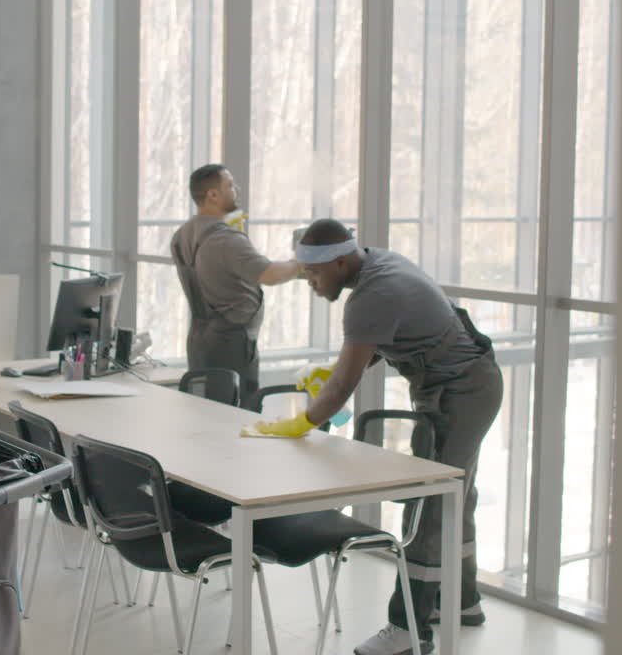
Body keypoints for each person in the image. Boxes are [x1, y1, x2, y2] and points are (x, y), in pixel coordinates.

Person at [254, 218, 503, 655]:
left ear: (339, 262)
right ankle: (461, 602)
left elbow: (342, 387)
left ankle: (408, 629)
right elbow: (373, 347)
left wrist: (301, 422)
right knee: (455, 498)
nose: (310, 284)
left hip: (461, 392)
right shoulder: (378, 265)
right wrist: (333, 373)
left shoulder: (371, 295)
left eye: (313, 274)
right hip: (468, 384)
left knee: (430, 505)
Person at [170, 164, 301, 409]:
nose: (236, 190)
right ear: (213, 195)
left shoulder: (183, 234)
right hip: (231, 345)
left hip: (201, 340)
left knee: (205, 410)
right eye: (230, 185)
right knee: (238, 413)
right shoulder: (225, 239)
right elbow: (270, 274)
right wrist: (300, 264)